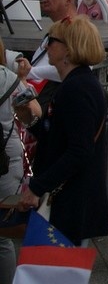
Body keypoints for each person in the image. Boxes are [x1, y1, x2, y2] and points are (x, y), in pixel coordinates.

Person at [15, 16, 108, 245]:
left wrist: (37, 188)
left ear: (69, 48)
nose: (47, 46)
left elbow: (79, 150)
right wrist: (31, 118)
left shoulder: (78, 87)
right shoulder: (76, 83)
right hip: (71, 198)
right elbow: (58, 138)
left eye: (52, 40)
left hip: (72, 199)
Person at [0, 39, 29, 283]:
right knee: (2, 235)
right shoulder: (8, 78)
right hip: (6, 160)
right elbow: (34, 111)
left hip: (6, 161)